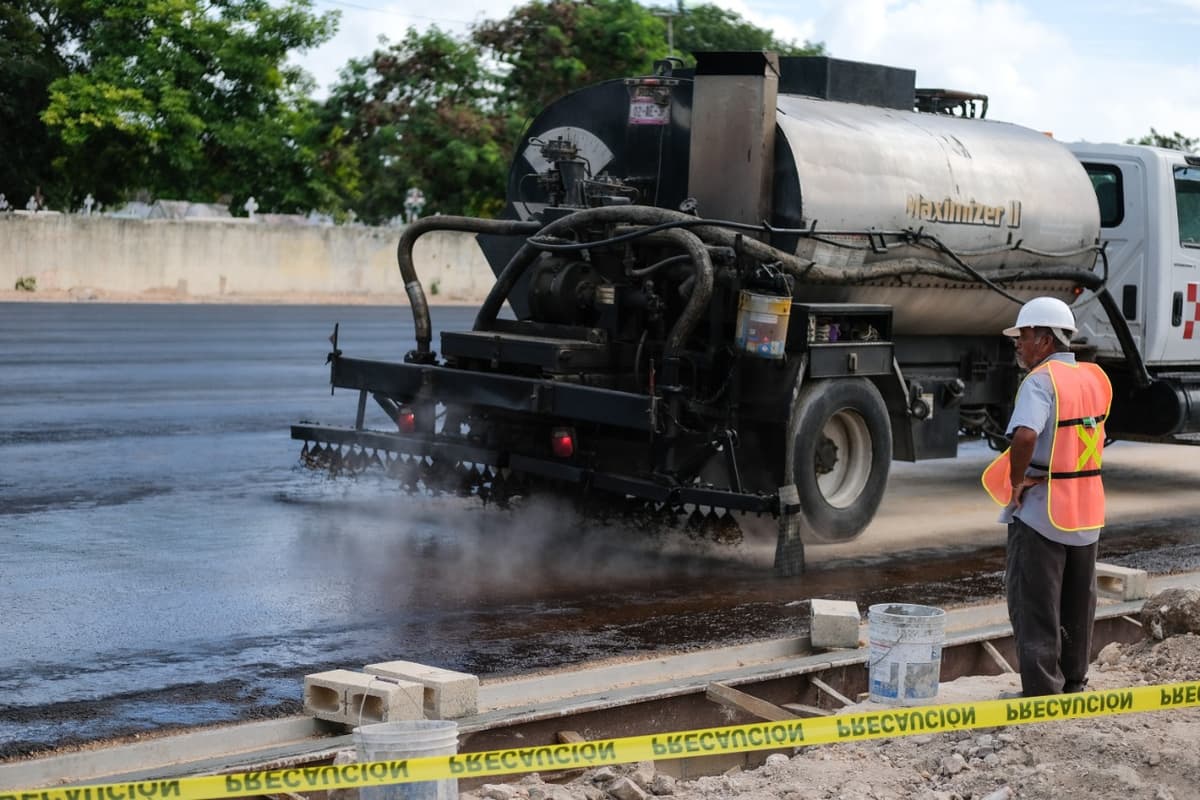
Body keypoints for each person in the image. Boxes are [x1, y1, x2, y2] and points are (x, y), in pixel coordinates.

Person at [981, 296, 1113, 697]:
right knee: (1078, 603)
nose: (1018, 345)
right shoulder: (1093, 378)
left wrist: (1017, 481)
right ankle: (1074, 682)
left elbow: (1024, 434)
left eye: (1022, 336)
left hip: (1043, 512)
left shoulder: (1039, 382)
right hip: (1086, 510)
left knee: (1036, 605)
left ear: (1043, 338)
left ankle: (1041, 692)